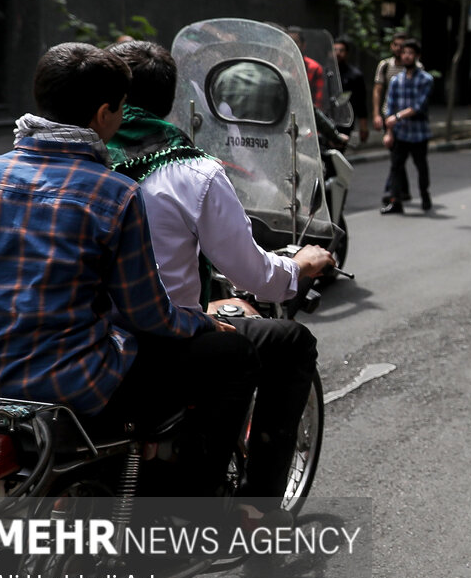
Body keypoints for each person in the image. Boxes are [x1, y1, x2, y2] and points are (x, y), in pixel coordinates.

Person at [0, 43, 259, 494]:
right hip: (75, 386)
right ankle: (194, 510)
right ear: (106, 112)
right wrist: (203, 321)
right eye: (122, 106)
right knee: (236, 356)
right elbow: (146, 314)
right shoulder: (114, 193)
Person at [106, 40, 334, 510]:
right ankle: (246, 506)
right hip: (152, 342)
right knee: (283, 343)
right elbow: (255, 273)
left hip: (67, 335)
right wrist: (300, 267)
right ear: (171, 102)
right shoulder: (189, 171)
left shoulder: (65, 163)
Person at [381, 38, 434, 214]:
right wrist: (389, 132)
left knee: (421, 167)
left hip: (418, 132)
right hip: (401, 132)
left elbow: (419, 106)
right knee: (396, 167)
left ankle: (425, 194)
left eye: (410, 53)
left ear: (417, 56)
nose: (407, 56)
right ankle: (396, 201)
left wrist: (397, 117)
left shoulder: (426, 79)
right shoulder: (396, 80)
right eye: (404, 53)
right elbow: (390, 106)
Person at [333, 36, 369, 145]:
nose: (338, 53)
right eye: (335, 50)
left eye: (341, 50)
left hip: (345, 121)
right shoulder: (326, 73)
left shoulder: (355, 76)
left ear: (347, 53)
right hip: (326, 118)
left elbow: (361, 103)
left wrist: (363, 127)